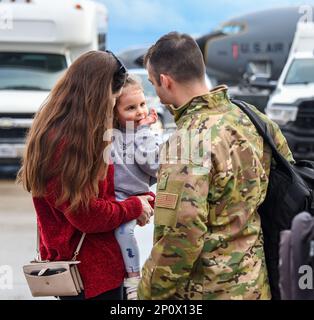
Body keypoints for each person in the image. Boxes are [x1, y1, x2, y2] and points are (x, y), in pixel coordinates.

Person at [137, 32, 294, 300]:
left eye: (153, 84)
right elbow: (287, 178)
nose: (157, 93)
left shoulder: (186, 142)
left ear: (165, 81)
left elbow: (181, 234)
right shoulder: (252, 117)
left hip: (207, 291)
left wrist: (148, 293)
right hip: (257, 284)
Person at [17, 51, 154, 300]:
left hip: (93, 270)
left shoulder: (64, 129)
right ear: (99, 94)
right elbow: (86, 214)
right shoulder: (67, 143)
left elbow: (116, 190)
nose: (113, 106)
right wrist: (134, 207)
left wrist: (142, 203)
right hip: (92, 275)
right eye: (113, 98)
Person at [111, 76, 161, 300]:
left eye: (142, 104)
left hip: (137, 196)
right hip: (115, 196)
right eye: (130, 108)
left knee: (124, 232)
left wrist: (143, 132)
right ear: (114, 112)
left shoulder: (145, 134)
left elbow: (153, 164)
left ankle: (133, 279)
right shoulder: (111, 135)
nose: (140, 112)